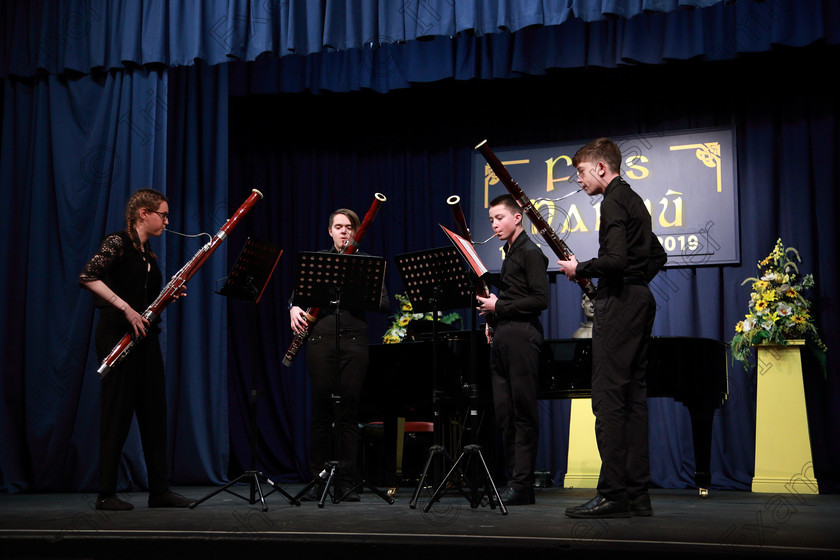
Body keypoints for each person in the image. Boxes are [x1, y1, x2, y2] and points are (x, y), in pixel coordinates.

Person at [557, 138, 667, 519]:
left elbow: (616, 260)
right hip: (638, 301)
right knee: (633, 402)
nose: (579, 181)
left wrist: (579, 269)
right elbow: (658, 255)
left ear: (601, 168)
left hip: (619, 305)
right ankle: (638, 496)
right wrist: (638, 283)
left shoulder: (614, 201)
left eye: (582, 173)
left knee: (607, 402)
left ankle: (613, 494)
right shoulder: (634, 199)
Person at [79, 188, 193, 511]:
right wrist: (126, 309)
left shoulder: (148, 254)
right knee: (116, 414)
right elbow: (88, 276)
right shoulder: (118, 243)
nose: (167, 221)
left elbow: (147, 304)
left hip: (145, 339)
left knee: (155, 413)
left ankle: (159, 490)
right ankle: (106, 493)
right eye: (164, 214)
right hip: (117, 336)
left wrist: (170, 295)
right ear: (144, 213)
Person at [289, 208, 389, 501]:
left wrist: (355, 292)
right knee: (321, 412)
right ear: (330, 231)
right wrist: (293, 307)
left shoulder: (367, 264)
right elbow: (298, 297)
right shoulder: (317, 262)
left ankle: (347, 480)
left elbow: (383, 304)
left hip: (354, 343)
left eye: (349, 228)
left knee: (348, 413)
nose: (344, 231)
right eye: (339, 226)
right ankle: (318, 479)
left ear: (356, 233)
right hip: (319, 341)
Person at [476, 194, 549, 506]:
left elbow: (539, 300)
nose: (494, 225)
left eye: (500, 218)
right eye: (491, 220)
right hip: (505, 337)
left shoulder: (531, 252)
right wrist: (494, 314)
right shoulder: (509, 253)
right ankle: (513, 482)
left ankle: (522, 485)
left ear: (518, 218)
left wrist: (499, 305)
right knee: (505, 415)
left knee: (522, 413)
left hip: (522, 337)